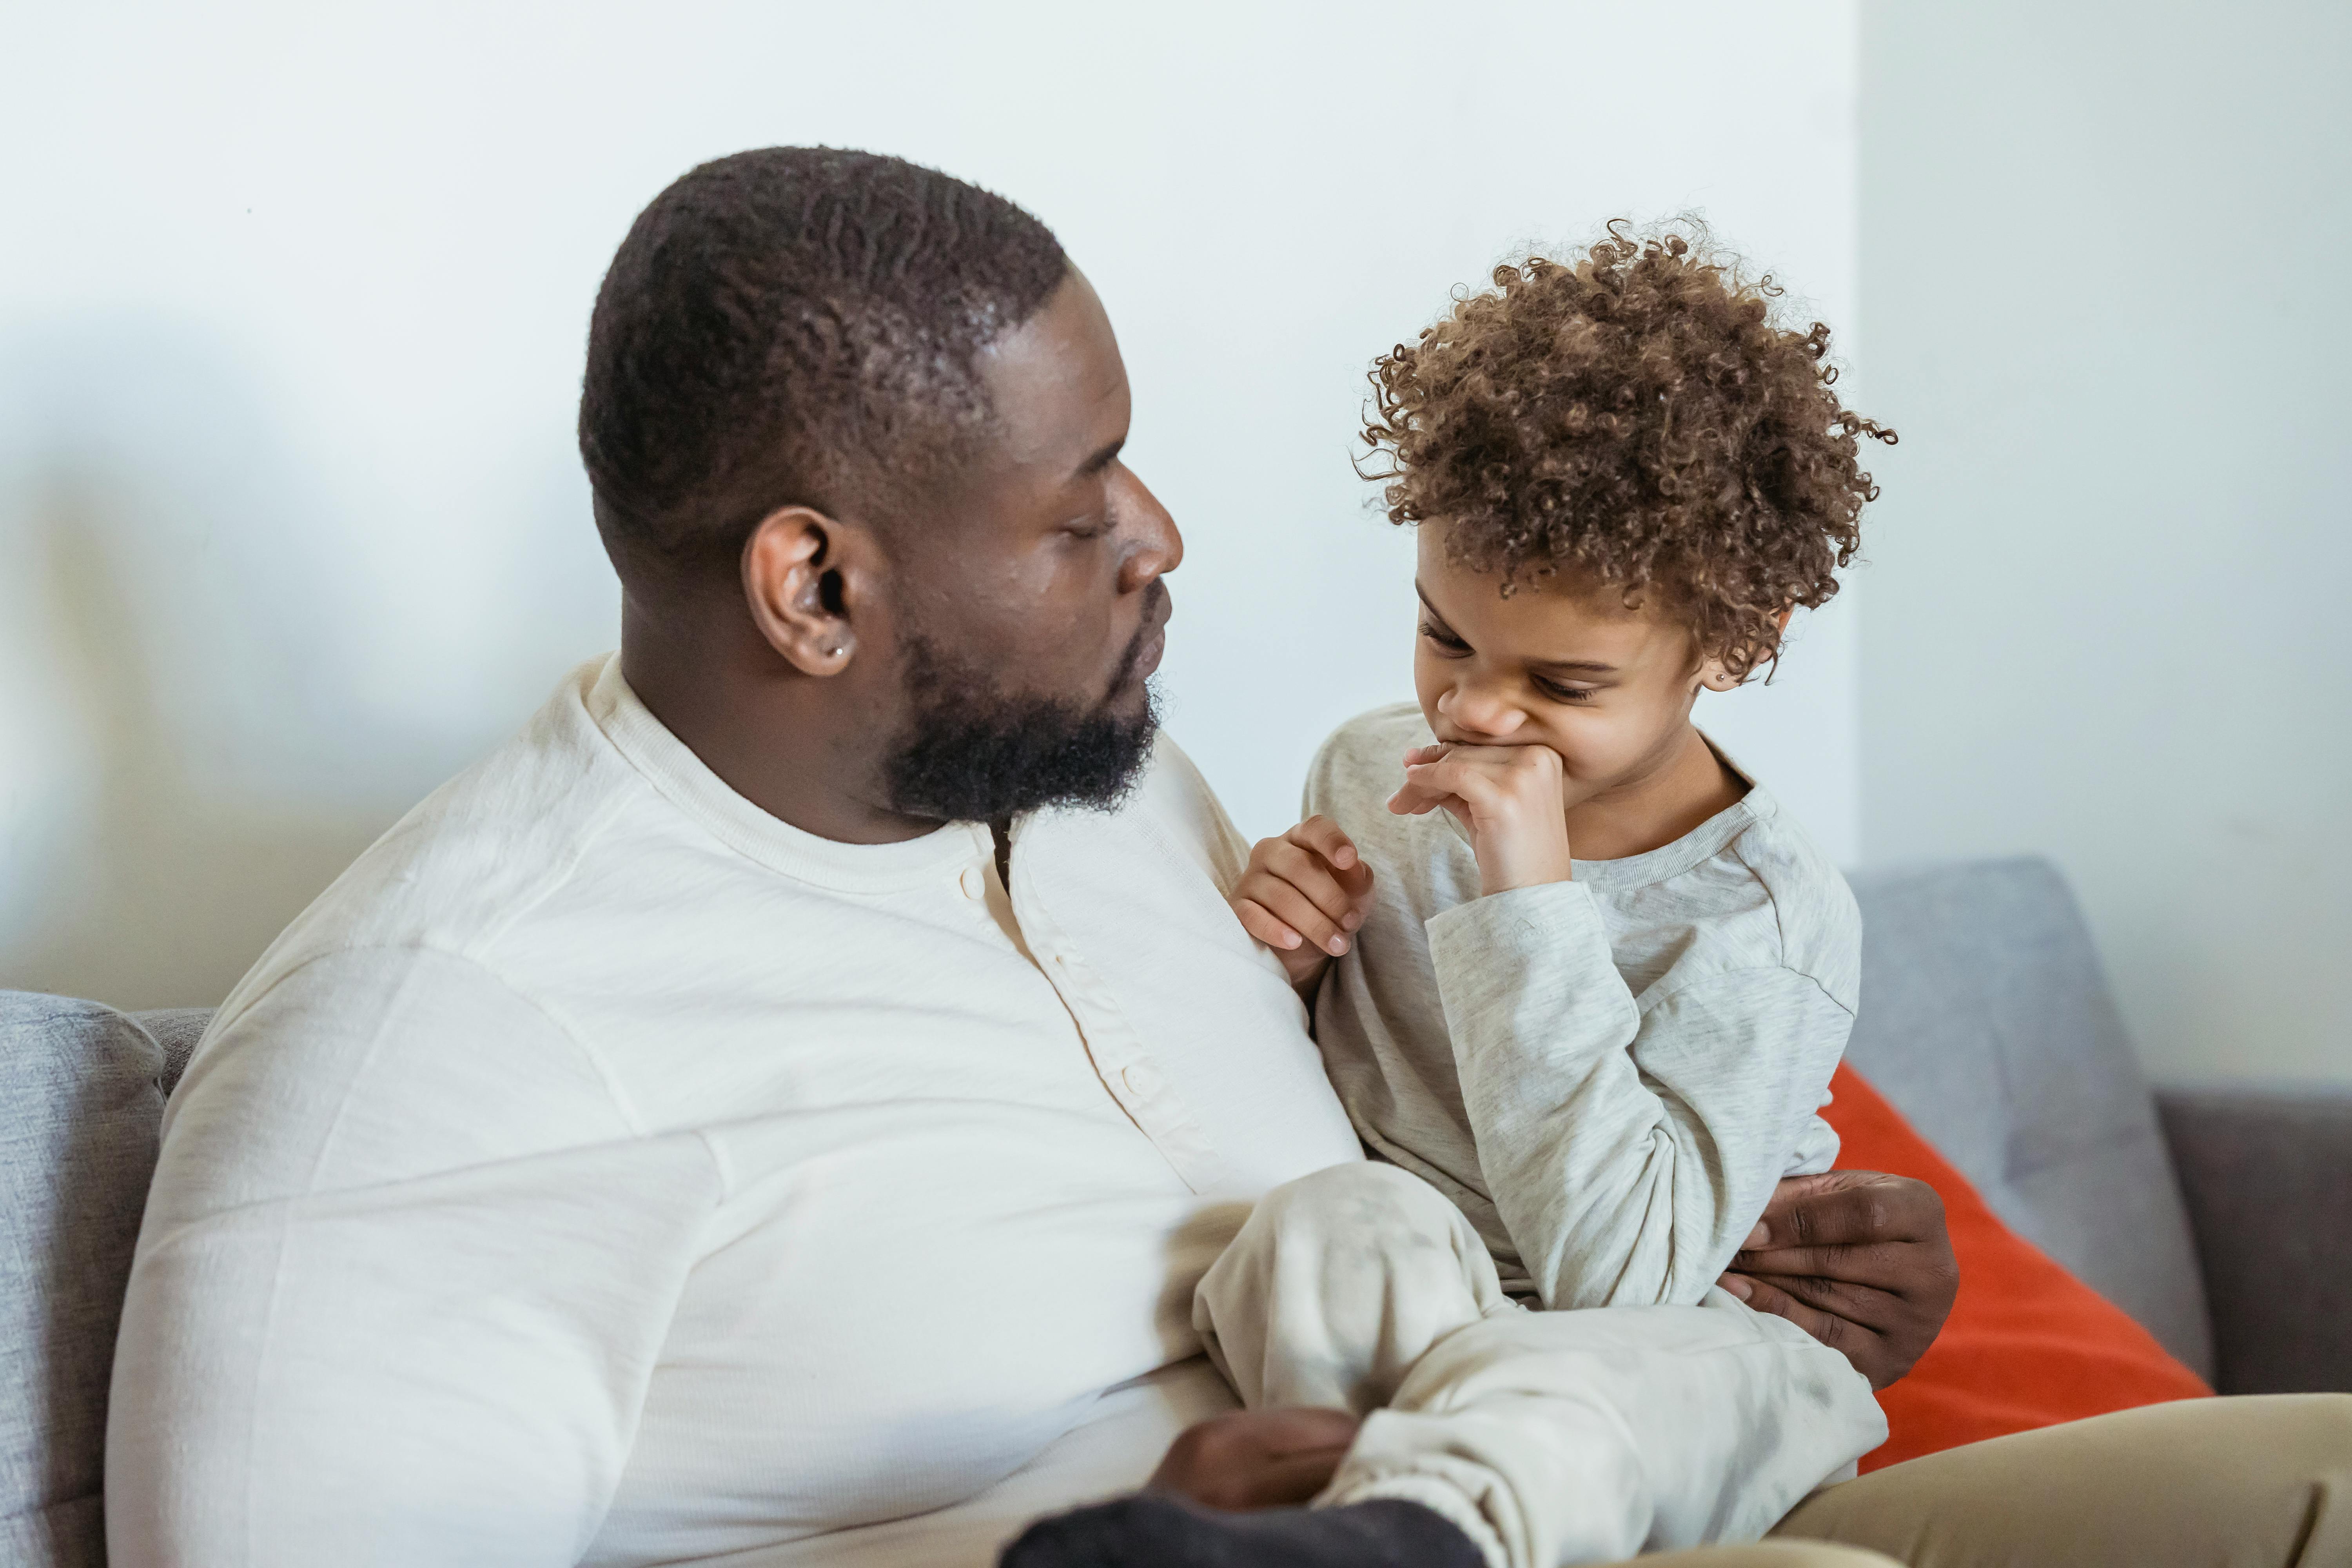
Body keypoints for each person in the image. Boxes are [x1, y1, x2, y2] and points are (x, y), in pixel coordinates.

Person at [104, 148, 2350, 1568]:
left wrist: (1800, 1274)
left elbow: (1522, 1159)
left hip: (1599, 1448)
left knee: (2317, 1480)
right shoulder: (428, 1066)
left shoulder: (1097, 786)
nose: (1162, 542)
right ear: (814, 588)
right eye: (1080, 507)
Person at [1182, 234, 1887, 1544]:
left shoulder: (1765, 924)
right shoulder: (1367, 772)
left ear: (1730, 646)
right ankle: (1363, 1520)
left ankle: (1411, 1521)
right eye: (1444, 634)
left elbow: (1623, 1280)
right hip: (1427, 1322)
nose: (1471, 706)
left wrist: (1527, 894)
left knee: (1568, 1384)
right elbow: (1330, 1087)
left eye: (1562, 686)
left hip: (1671, 1356)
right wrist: (1280, 960)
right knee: (1323, 1225)